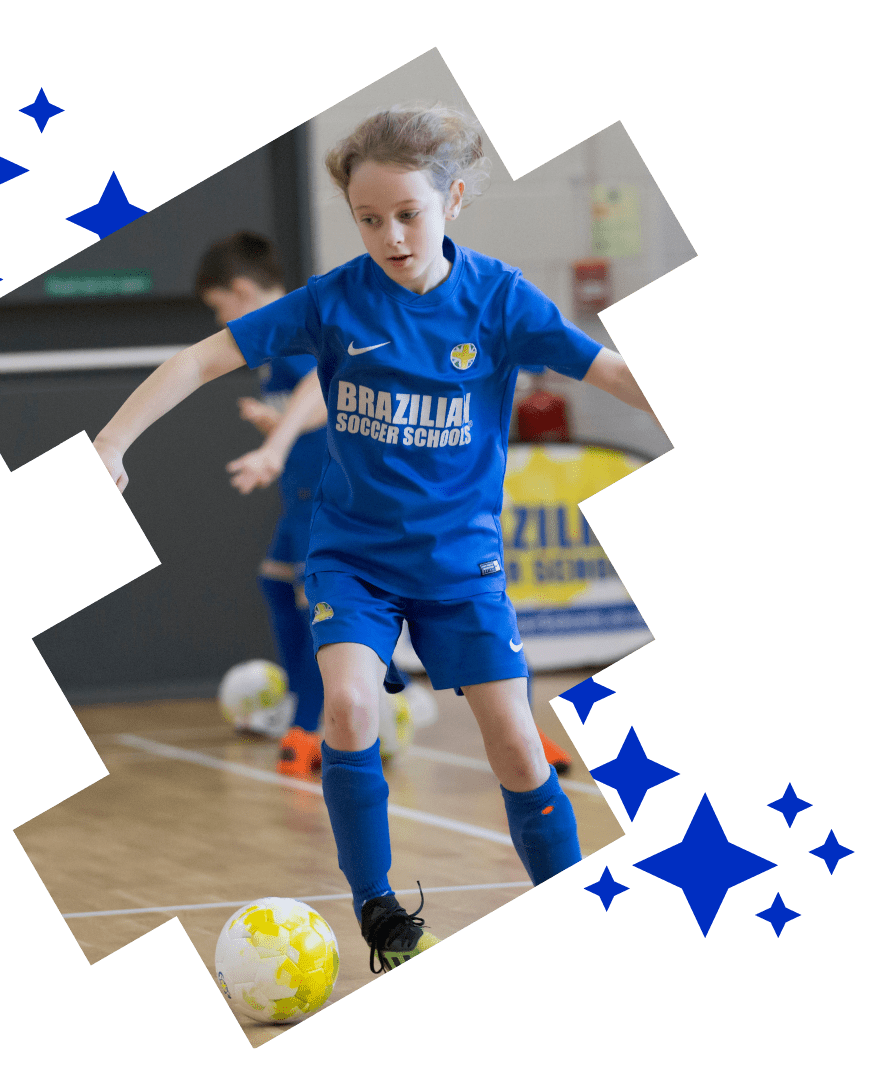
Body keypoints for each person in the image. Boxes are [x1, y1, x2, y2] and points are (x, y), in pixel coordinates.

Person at [94, 105, 662, 975]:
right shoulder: (334, 302)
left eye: (408, 214)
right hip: (353, 558)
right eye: (368, 219)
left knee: (515, 740)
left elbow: (611, 369)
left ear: (455, 200)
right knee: (351, 709)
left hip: (460, 566)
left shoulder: (503, 301)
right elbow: (200, 360)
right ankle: (381, 913)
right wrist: (111, 441)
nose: (390, 235)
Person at [194, 232, 328, 778]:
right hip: (298, 490)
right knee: (276, 583)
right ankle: (299, 704)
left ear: (243, 291)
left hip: (324, 493)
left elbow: (335, 394)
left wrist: (285, 434)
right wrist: (281, 426)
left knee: (321, 606)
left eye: (219, 308)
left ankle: (312, 726)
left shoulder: (296, 335)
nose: (219, 323)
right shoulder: (279, 346)